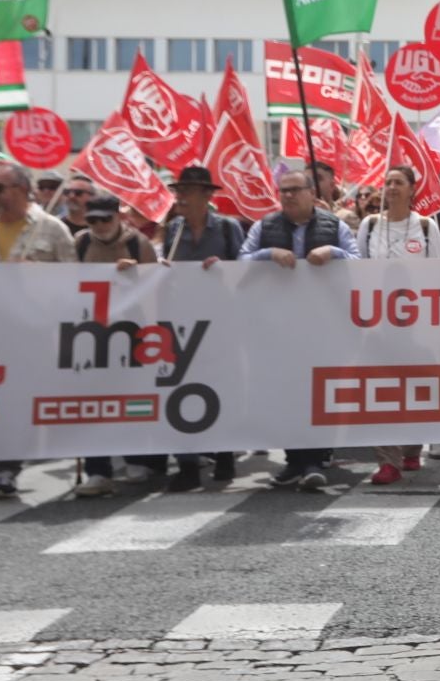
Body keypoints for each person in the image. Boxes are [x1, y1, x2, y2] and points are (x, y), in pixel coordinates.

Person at [0, 164, 79, 499]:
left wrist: (40, 274)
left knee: (17, 400)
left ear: (22, 190)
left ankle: (7, 467)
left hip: (31, 330)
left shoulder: (53, 229)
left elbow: (74, 280)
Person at [242, 166, 360, 490]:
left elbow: (359, 262)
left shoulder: (334, 226)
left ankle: (314, 458)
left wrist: (333, 252)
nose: (289, 196)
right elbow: (239, 262)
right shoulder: (263, 227)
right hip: (276, 327)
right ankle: (294, 460)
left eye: (295, 190)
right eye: (284, 191)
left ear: (312, 193)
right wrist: (268, 253)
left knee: (316, 393)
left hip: (322, 327)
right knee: (284, 393)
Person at [158, 166, 244, 493]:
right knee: (181, 389)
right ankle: (188, 464)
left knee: (221, 388)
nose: (180, 196)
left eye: (189, 190)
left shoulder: (226, 229)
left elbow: (244, 271)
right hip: (181, 324)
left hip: (221, 324)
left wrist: (225, 271)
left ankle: (224, 454)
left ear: (207, 196)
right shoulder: (172, 230)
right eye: (179, 189)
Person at [71, 194, 162, 498]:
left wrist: (136, 271)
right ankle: (98, 470)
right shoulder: (80, 243)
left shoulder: (138, 243)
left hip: (131, 333)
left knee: (132, 400)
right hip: (90, 334)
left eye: (104, 219)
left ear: (118, 217)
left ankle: (136, 459)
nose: (99, 226)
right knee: (92, 403)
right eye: (92, 220)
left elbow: (156, 286)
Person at [358, 166, 440, 485]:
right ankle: (387, 460)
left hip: (418, 322)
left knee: (416, 387)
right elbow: (359, 271)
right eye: (387, 182)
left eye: (398, 183)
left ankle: (411, 447)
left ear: (412, 190)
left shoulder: (425, 226)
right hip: (378, 322)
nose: (391, 187)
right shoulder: (369, 226)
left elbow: (436, 274)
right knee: (381, 388)